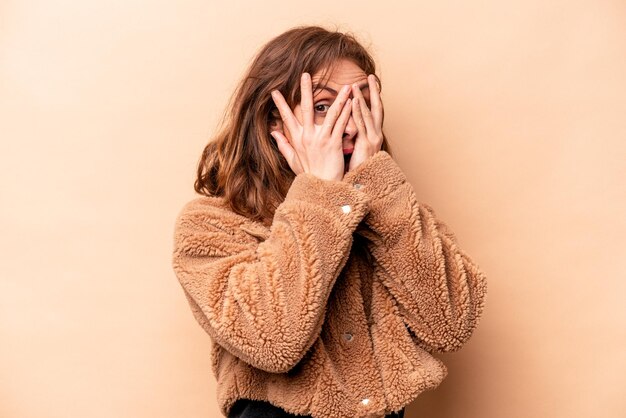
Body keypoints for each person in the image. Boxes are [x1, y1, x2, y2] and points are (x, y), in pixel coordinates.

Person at [171, 25, 487, 418]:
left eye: (362, 104)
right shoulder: (210, 225)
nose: (350, 124)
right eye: (323, 106)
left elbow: (451, 324)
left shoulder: (390, 207)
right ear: (273, 120)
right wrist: (319, 190)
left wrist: (378, 186)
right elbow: (273, 341)